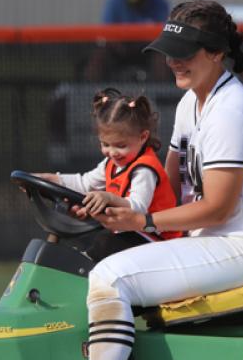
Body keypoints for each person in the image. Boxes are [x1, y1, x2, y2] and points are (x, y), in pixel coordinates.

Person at [59, 0, 243, 360]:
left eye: (186, 51)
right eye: (169, 50)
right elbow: (167, 188)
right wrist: (112, 205)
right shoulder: (192, 103)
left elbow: (218, 209)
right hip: (213, 240)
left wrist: (141, 217)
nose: (173, 61)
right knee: (97, 254)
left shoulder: (229, 111)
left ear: (218, 53)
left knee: (111, 277)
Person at [37, 88, 181, 260]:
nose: (112, 152)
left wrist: (108, 198)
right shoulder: (110, 164)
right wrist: (52, 179)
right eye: (105, 144)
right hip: (129, 235)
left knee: (104, 244)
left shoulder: (144, 169)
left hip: (155, 239)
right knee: (92, 240)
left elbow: (137, 207)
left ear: (143, 137)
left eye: (120, 146)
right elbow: (85, 183)